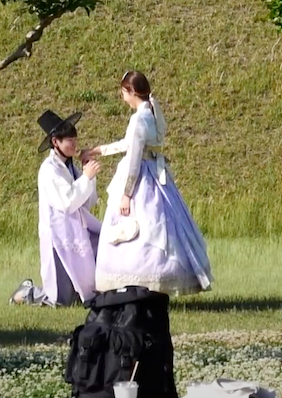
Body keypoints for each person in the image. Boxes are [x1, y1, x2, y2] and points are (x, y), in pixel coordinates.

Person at [84, 70, 213, 296]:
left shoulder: (138, 118)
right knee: (161, 223)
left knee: (141, 225)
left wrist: (126, 193)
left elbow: (134, 156)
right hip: (155, 171)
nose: (122, 96)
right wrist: (100, 150)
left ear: (131, 91)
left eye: (123, 91)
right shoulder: (151, 113)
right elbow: (131, 143)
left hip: (143, 174)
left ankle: (139, 279)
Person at [9, 110, 103, 307]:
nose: (75, 145)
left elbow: (87, 200)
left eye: (75, 140)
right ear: (55, 142)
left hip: (76, 228)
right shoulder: (49, 169)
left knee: (85, 282)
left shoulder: (70, 166)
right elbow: (67, 202)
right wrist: (86, 177)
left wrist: (88, 175)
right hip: (58, 234)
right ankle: (26, 293)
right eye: (69, 141)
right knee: (59, 299)